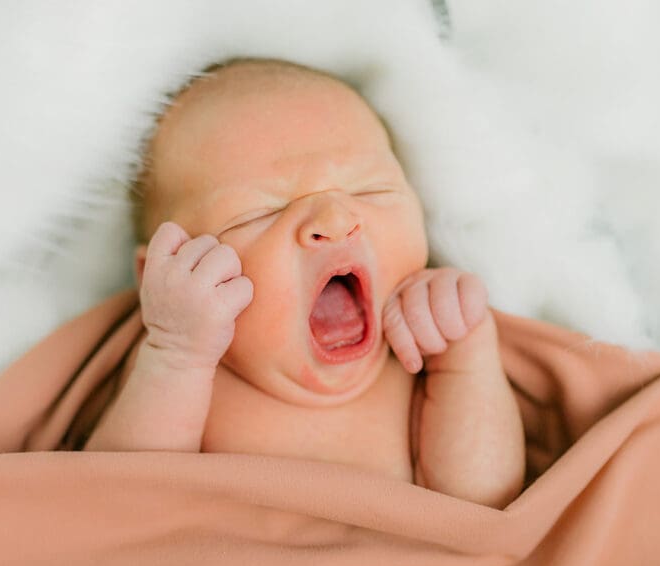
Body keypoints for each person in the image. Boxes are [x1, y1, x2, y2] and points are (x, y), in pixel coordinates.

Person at [85, 57, 525, 509]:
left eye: (369, 190)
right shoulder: (184, 375)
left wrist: (466, 359)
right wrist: (176, 353)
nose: (335, 220)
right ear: (161, 278)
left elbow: (483, 510)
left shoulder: (418, 365)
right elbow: (119, 511)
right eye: (261, 212)